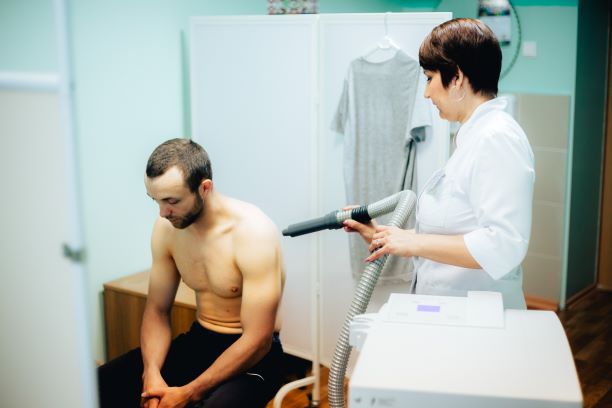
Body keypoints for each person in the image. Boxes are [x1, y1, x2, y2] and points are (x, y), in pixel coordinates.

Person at [344, 18, 535, 309]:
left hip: (477, 316)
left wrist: (414, 243)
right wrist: (385, 236)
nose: (426, 92)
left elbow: (504, 245)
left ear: (456, 77)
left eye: (430, 78)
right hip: (454, 311)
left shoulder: (496, 138)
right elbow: (456, 232)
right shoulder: (475, 137)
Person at [98, 138, 286, 408]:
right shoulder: (166, 229)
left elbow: (258, 340)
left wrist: (188, 393)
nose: (163, 213)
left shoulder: (253, 233)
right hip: (201, 340)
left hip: (256, 357)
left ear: (204, 188)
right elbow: (157, 311)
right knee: (99, 385)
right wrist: (151, 375)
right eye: (155, 200)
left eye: (171, 201)